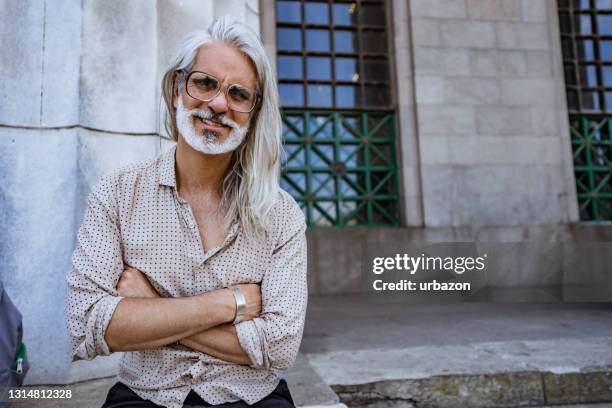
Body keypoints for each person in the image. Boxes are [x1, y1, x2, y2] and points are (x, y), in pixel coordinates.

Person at [65, 17, 307, 408]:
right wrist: (230, 303)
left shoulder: (281, 214)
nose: (217, 104)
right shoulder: (116, 193)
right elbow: (86, 323)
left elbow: (280, 344)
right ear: (177, 89)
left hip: (250, 395)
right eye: (205, 83)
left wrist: (147, 308)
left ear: (253, 112)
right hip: (145, 393)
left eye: (238, 94)